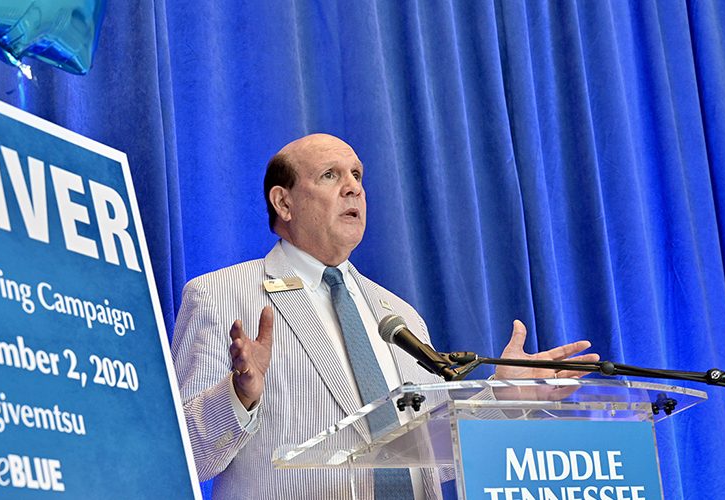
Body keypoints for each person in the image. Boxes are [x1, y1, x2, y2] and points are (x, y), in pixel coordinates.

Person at [170, 133, 598, 499]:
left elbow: (430, 457)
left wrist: (501, 398)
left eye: (357, 175)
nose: (353, 188)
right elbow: (182, 453)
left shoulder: (399, 315)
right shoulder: (220, 296)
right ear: (283, 202)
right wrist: (238, 396)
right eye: (330, 175)